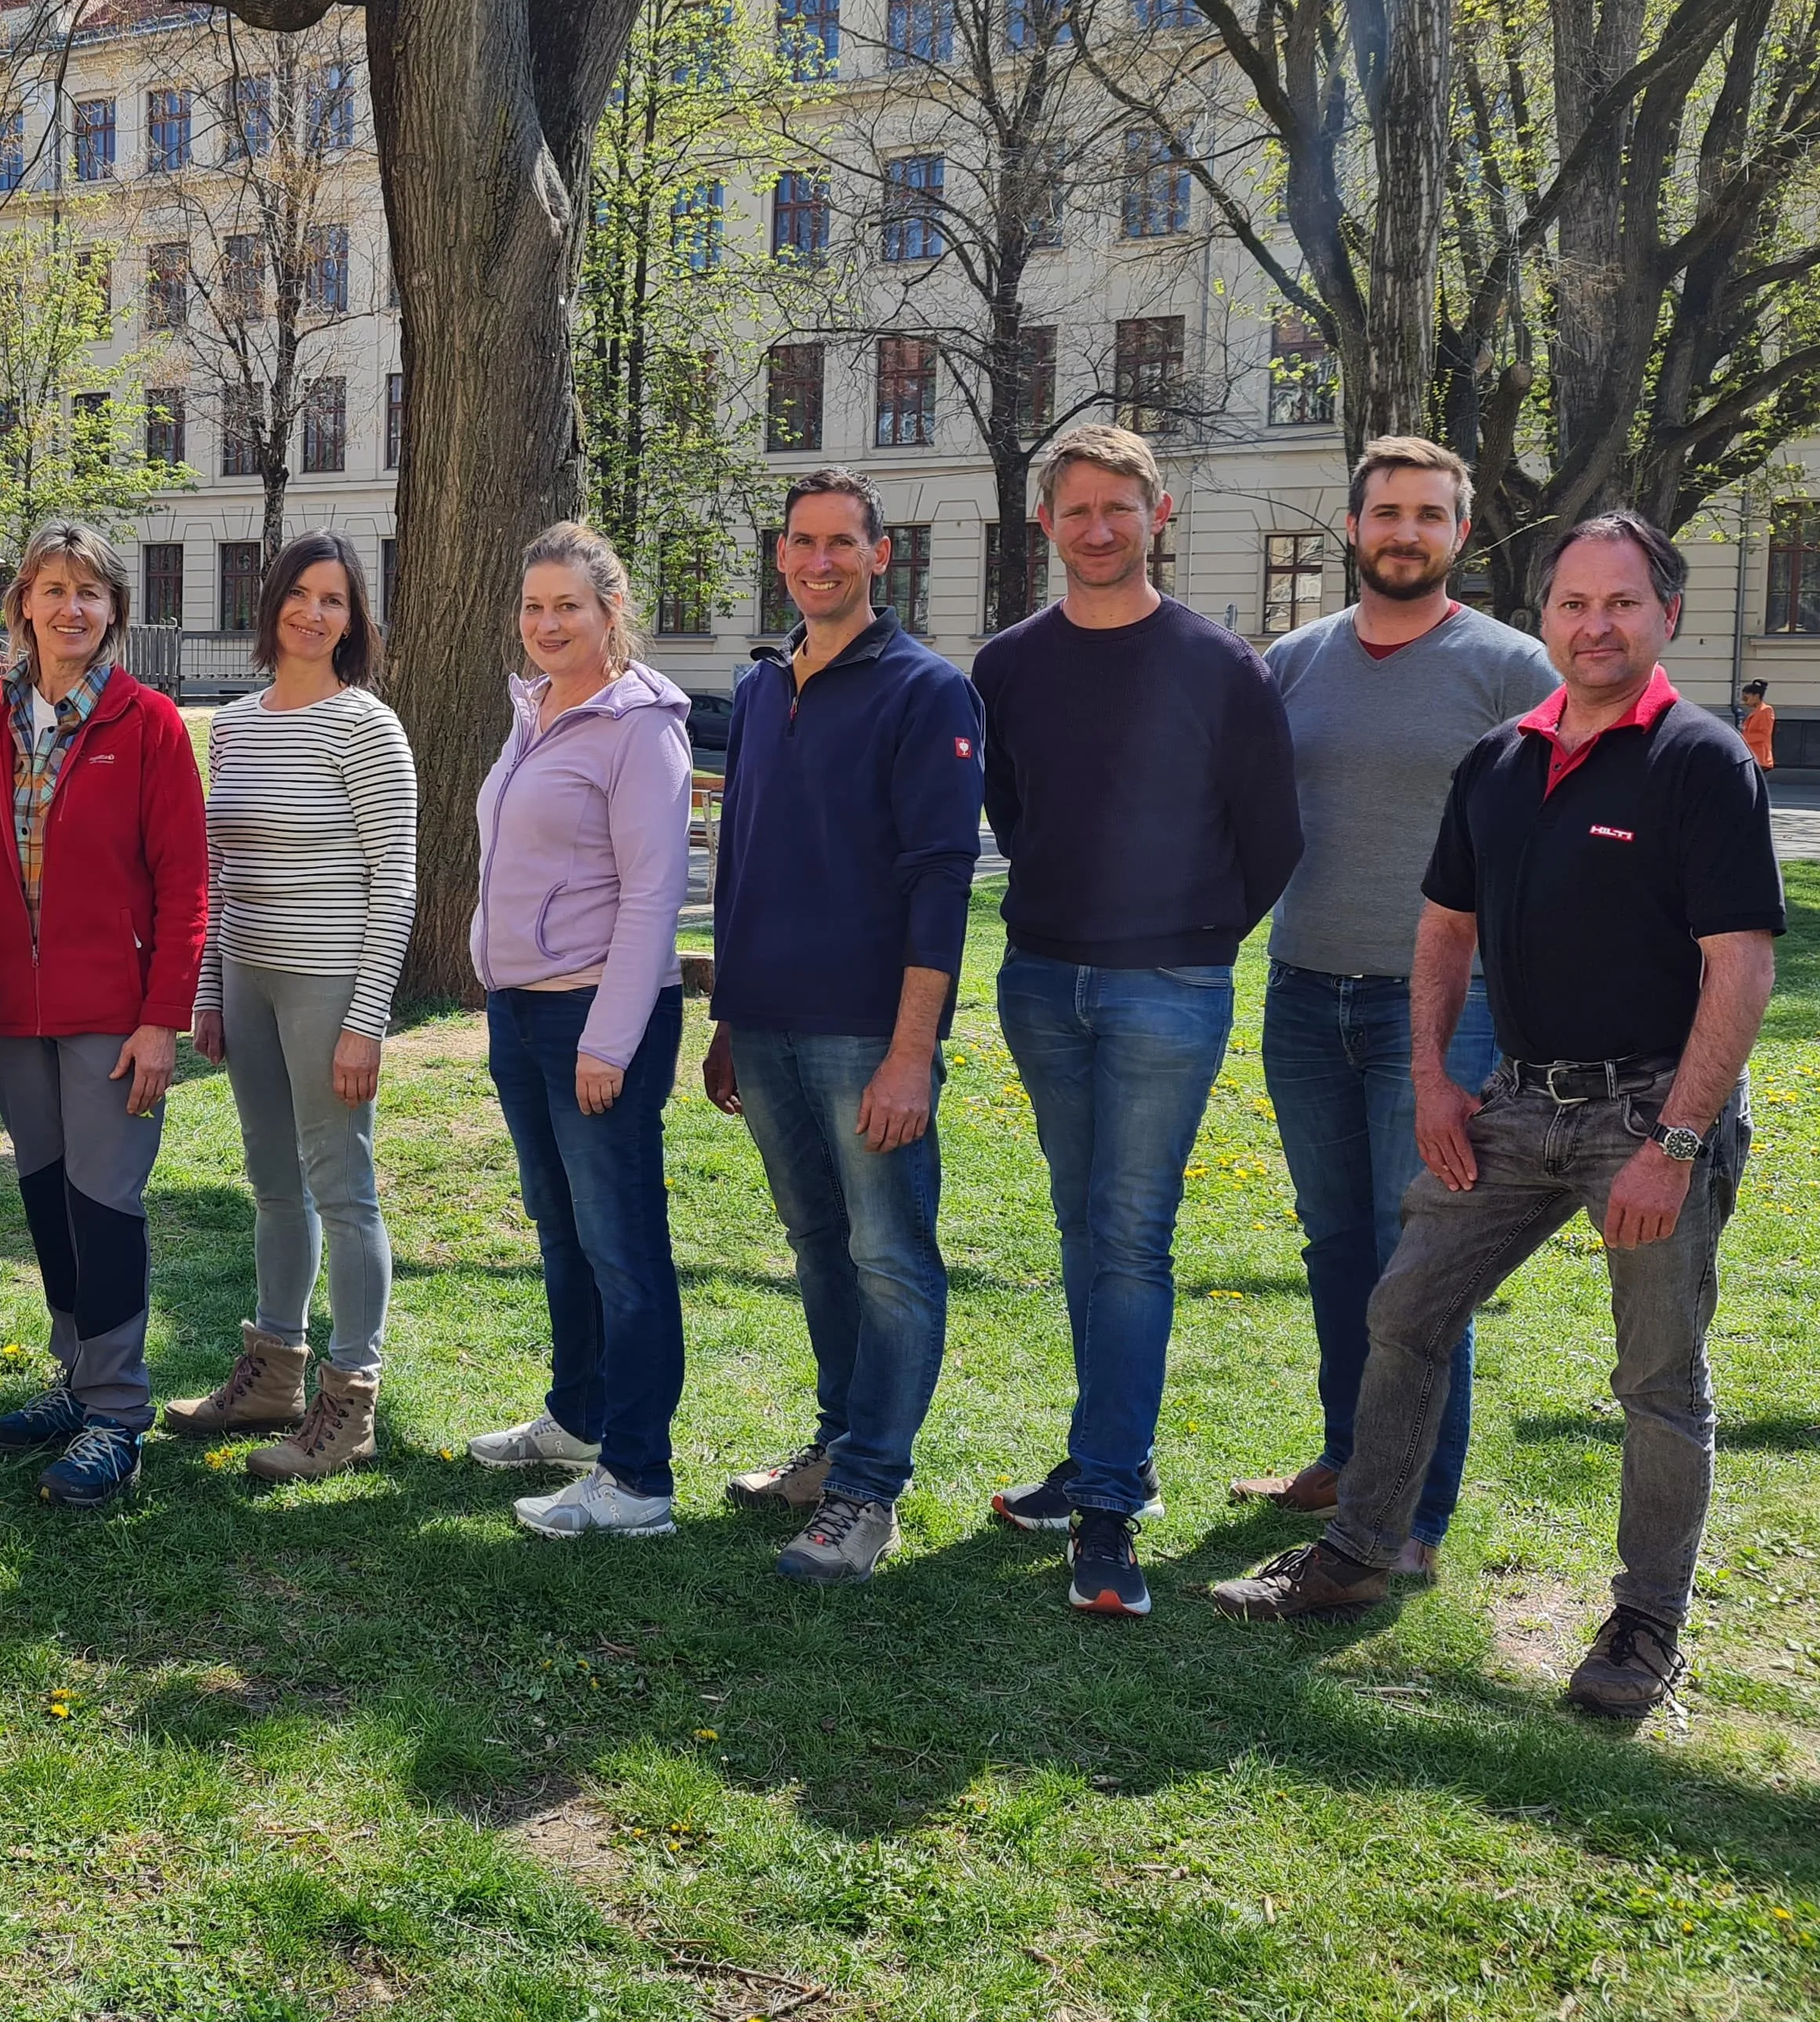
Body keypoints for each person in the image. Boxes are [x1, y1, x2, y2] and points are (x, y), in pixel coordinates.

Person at [1212, 514, 1782, 1721]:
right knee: (1407, 1309)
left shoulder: (1700, 760)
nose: (1596, 626)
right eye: (1574, 604)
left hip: (1653, 1111)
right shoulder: (1500, 761)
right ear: (1546, 619)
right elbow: (1444, 930)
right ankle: (1360, 1553)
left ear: (1667, 615)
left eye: (1621, 603)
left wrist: (1676, 1143)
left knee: (1657, 1377)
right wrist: (1433, 1078)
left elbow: (1740, 968)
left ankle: (1646, 1624)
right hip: (1521, 1100)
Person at [975, 425, 1303, 1617]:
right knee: (1082, 1225)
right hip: (1042, 983)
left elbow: (1273, 838)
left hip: (1169, 987)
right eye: (1077, 509)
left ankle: (1110, 1503)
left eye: (1121, 507)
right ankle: (1108, 1454)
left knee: (1128, 1235)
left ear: (1158, 515)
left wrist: (1193, 935)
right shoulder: (1008, 666)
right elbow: (1013, 811)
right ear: (1046, 523)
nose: (1099, 527)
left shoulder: (1219, 666)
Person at [1235, 438, 1553, 1577]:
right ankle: (1347, 1456)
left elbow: (1563, 835)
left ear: (1459, 533)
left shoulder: (1513, 668)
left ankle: (1413, 1515)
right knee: (1335, 1246)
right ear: (1354, 527)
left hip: (1445, 1014)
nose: (1405, 532)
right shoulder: (1295, 662)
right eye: (1387, 513)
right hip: (1303, 990)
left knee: (1420, 1263)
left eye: (1429, 514)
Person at [702, 471, 983, 1583]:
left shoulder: (927, 691)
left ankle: (870, 1490)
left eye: (841, 543)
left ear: (878, 556)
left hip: (868, 1033)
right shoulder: (761, 686)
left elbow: (941, 881)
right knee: (818, 1242)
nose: (819, 561)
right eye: (802, 543)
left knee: (890, 1256)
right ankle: (837, 1441)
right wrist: (727, 1013)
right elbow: (742, 858)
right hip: (766, 1022)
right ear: (781, 556)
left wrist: (913, 1051)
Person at [0, 523, 208, 1509]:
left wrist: (162, 1019)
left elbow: (186, 888)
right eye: (52, 589)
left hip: (114, 1018)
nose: (70, 608)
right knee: (47, 1196)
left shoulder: (149, 724)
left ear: (114, 611)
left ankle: (118, 1415)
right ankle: (77, 1377)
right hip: (15, 1012)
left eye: (89, 592)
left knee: (104, 1202)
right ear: (23, 608)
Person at [463, 522, 696, 1540]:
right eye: (534, 606)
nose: (548, 624)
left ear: (612, 611)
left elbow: (653, 893)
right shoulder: (537, 710)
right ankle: (578, 1419)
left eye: (569, 606)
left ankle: (639, 1479)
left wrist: (609, 1040)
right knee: (562, 1232)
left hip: (596, 1016)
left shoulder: (641, 725)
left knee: (622, 1249)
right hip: (522, 1012)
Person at [169, 532, 418, 1480]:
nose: (314, 613)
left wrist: (366, 1020)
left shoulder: (367, 726)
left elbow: (396, 882)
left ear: (353, 621)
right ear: (272, 601)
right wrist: (207, 990)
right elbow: (220, 870)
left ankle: (350, 1404)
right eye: (300, 594)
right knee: (274, 1183)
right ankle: (273, 1372)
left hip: (329, 983)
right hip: (249, 979)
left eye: (335, 600)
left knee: (342, 1190)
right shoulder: (234, 725)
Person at [1740, 680, 1775, 773]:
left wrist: (1742, 740)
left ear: (1756, 696)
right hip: (1753, 757)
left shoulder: (1766, 710)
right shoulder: (1755, 712)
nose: (1744, 702)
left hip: (1760, 758)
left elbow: (1763, 735)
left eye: (1746, 698)